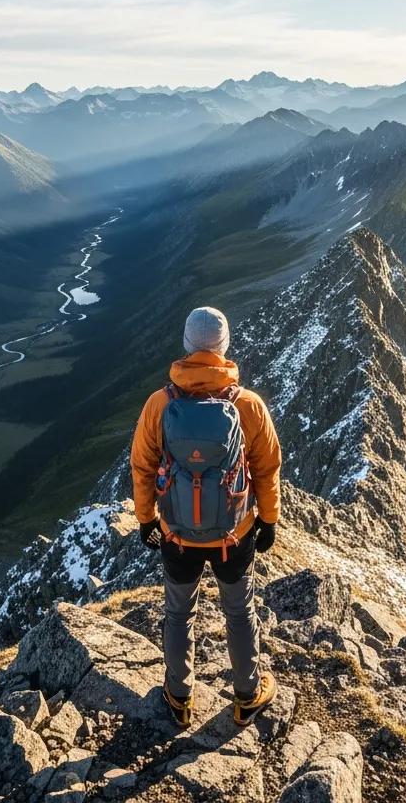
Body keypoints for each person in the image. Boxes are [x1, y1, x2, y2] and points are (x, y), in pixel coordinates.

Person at [130, 305, 282, 728]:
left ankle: (179, 698)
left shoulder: (160, 405)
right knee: (239, 611)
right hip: (235, 534)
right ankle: (247, 694)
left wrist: (146, 520)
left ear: (186, 345)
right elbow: (267, 468)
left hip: (177, 534)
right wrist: (268, 519)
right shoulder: (248, 406)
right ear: (224, 347)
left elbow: (142, 466)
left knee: (179, 613)